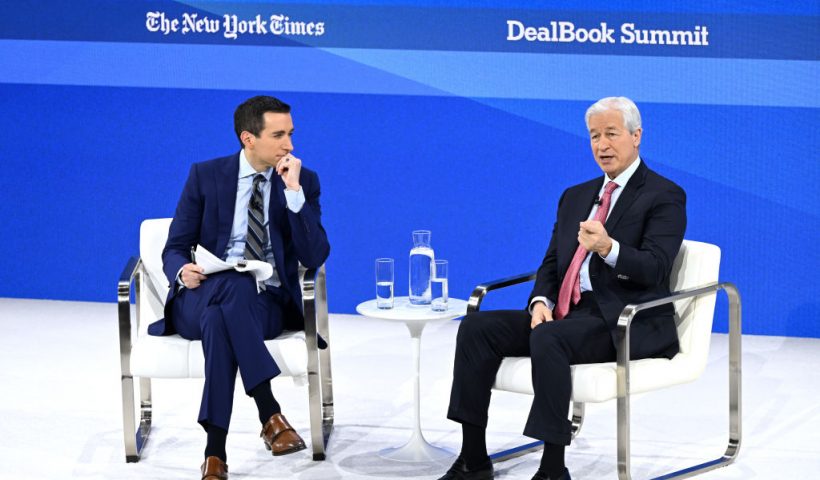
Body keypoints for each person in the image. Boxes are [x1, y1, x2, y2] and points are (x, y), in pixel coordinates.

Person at [439, 97, 686, 480]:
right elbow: (553, 261)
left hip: (622, 318)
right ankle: (473, 460)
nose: (602, 145)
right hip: (567, 313)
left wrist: (608, 248)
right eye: (594, 136)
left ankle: (553, 469)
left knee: (550, 339)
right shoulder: (576, 195)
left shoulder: (664, 195)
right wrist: (541, 300)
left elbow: (655, 269)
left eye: (611, 134)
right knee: (475, 328)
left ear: (636, 137)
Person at [147, 95, 330, 480]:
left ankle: (215, 452)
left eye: (291, 134)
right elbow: (175, 247)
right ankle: (268, 411)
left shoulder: (303, 181)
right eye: (278, 135)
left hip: (266, 304)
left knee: (227, 309)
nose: (290, 146)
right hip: (198, 298)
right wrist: (183, 272)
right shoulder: (206, 175)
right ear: (248, 138)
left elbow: (314, 256)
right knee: (230, 287)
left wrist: (294, 195)